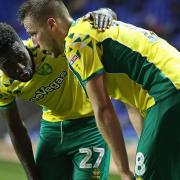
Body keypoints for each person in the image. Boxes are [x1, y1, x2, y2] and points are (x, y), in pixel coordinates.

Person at [18, 0, 180, 180]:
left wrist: (124, 170)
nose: (34, 42)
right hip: (169, 89)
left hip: (168, 91)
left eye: (34, 34)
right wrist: (149, 142)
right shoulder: (88, 29)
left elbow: (103, 109)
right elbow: (131, 101)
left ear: (51, 24)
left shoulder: (76, 42)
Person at [0, 8, 118, 180]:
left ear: (22, 42)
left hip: (90, 125)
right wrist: (32, 174)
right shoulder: (3, 84)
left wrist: (106, 13)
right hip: (52, 132)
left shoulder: (47, 45)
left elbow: (86, 22)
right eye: (7, 65)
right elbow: (15, 127)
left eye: (19, 56)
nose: (20, 68)